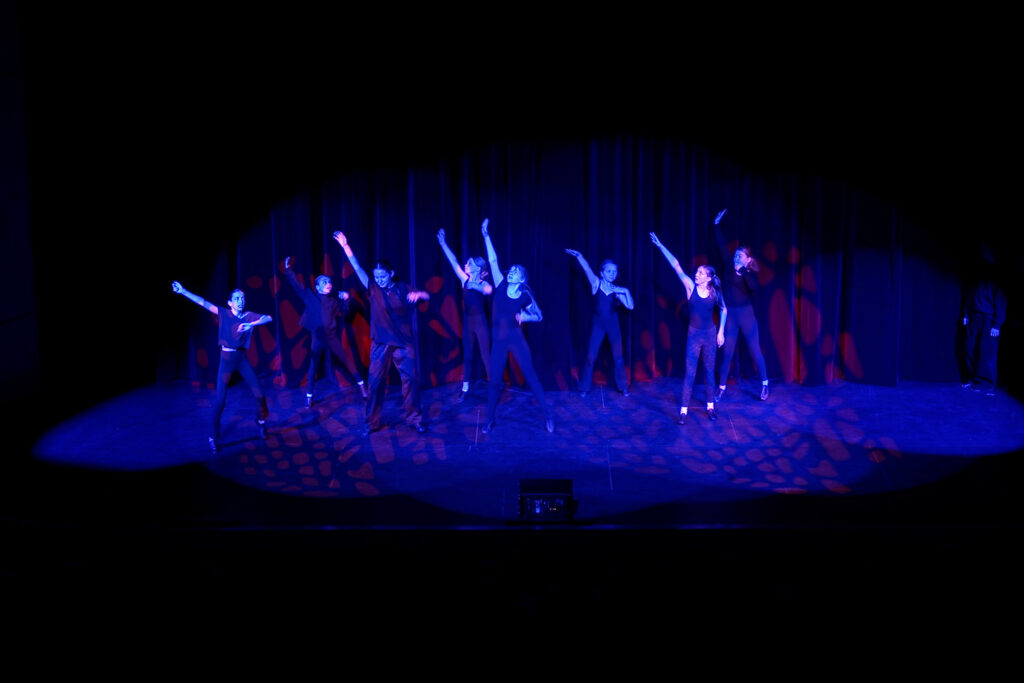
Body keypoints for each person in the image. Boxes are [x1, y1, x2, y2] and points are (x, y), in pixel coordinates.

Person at [333, 230, 429, 435]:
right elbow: (357, 267)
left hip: (403, 343)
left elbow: (426, 296)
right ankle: (371, 423)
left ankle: (415, 419)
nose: (379, 279)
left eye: (382, 276)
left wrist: (419, 294)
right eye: (376, 277)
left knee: (411, 381)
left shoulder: (403, 288)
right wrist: (346, 246)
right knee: (375, 384)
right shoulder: (373, 288)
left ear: (391, 273)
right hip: (381, 343)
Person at [171, 281, 274, 454]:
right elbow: (203, 302)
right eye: (237, 298)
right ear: (230, 303)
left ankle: (260, 421)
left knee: (260, 395)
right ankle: (212, 436)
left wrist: (251, 324)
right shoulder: (224, 313)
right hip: (226, 360)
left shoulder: (248, 316)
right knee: (220, 400)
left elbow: (268, 317)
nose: (240, 301)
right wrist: (183, 291)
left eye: (242, 298)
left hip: (241, 359)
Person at [481, 218, 554, 434]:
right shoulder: (500, 285)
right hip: (498, 343)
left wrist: (526, 317)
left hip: (517, 341)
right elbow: (493, 260)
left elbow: (539, 316)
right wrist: (486, 235)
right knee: (494, 382)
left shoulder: (524, 295)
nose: (510, 272)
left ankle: (548, 415)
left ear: (522, 279)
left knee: (531, 377)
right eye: (510, 270)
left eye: (515, 271)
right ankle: (489, 420)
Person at [650, 232, 727, 424]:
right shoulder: (690, 287)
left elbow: (724, 310)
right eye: (697, 272)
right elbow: (676, 265)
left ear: (708, 278)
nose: (696, 274)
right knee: (690, 373)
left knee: (709, 372)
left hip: (710, 335)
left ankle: (710, 407)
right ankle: (683, 411)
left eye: (701, 273)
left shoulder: (714, 292)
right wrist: (660, 245)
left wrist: (721, 332)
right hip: (694, 335)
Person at [283, 256, 368, 408]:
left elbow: (345, 313)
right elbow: (297, 286)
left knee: (346, 360)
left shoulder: (333, 301)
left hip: (331, 337)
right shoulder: (309, 296)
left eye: (329, 281)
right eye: (324, 282)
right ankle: (309, 396)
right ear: (317, 287)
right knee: (313, 366)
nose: (328, 284)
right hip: (318, 337)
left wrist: (347, 299)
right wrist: (288, 270)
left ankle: (362, 386)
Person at [711, 208, 770, 402]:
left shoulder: (749, 274)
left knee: (754, 349)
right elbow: (721, 246)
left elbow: (753, 288)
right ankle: (721, 387)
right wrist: (716, 225)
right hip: (731, 316)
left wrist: (743, 270)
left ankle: (765, 384)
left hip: (746, 315)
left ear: (748, 259)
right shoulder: (728, 266)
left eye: (741, 255)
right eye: (736, 253)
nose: (737, 256)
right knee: (727, 352)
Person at [565, 248, 634, 397]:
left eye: (614, 271)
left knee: (618, 357)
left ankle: (623, 386)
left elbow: (630, 306)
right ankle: (584, 387)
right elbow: (587, 269)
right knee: (590, 357)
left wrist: (626, 291)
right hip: (598, 326)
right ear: (602, 273)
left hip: (614, 327)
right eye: (609, 271)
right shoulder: (596, 283)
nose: (612, 274)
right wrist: (580, 256)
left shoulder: (617, 290)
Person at [437, 227, 493, 403]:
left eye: (469, 263)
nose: (465, 265)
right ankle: (465, 388)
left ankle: (493, 389)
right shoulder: (464, 279)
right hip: (468, 322)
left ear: (477, 268)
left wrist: (475, 285)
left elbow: (488, 290)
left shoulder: (483, 283)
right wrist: (443, 243)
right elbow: (453, 260)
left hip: (480, 322)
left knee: (485, 356)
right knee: (467, 355)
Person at [960, 241, 1007, 396]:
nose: (984, 252)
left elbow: (1000, 298)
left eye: (986, 250)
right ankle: (972, 378)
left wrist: (997, 324)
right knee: (970, 347)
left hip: (989, 318)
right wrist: (966, 314)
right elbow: (969, 292)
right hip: (974, 315)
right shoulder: (975, 270)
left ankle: (986, 383)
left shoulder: (997, 273)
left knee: (987, 352)